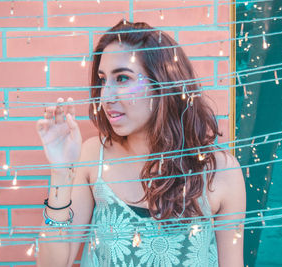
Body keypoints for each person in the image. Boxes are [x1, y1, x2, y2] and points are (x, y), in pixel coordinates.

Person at [36, 20, 246, 267]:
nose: (106, 96)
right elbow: (53, 264)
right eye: (103, 80)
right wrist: (61, 172)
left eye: (122, 78)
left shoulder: (220, 172)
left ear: (163, 84)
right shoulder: (94, 156)